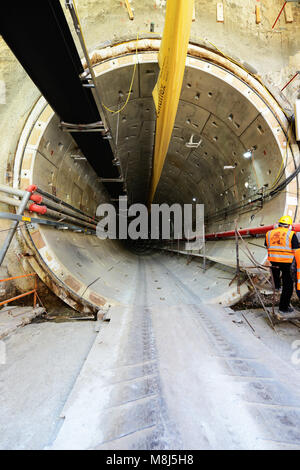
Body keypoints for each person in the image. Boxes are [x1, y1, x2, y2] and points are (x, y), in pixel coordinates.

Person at [265, 215, 299, 317]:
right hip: (287, 263)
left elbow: (267, 246)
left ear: (279, 224)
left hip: (274, 262)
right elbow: (296, 251)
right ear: (289, 225)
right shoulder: (291, 234)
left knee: (277, 282)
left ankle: (277, 287)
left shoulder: (269, 233)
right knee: (288, 286)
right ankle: (283, 308)